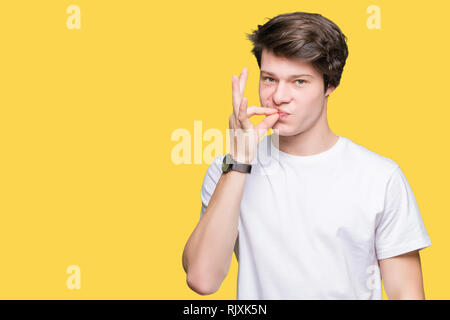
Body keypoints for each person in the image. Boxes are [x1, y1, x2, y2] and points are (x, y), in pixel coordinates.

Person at [182, 11, 432, 300]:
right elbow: (202, 279)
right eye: (269, 79)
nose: (278, 96)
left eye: (299, 82)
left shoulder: (380, 177)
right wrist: (239, 161)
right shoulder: (229, 169)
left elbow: (407, 294)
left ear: (330, 85)